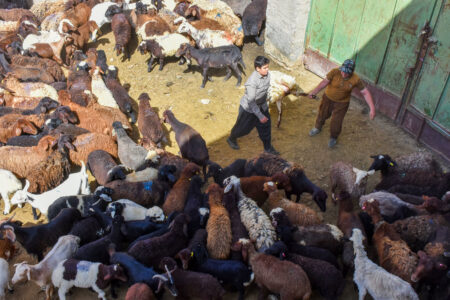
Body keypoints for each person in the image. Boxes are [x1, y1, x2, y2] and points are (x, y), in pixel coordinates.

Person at [308, 59, 376, 148]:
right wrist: (314, 92)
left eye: (347, 73)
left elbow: (365, 92)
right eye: (343, 71)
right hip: (328, 98)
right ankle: (317, 127)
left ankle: (333, 137)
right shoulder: (335, 72)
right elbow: (324, 82)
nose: (344, 74)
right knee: (322, 113)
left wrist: (372, 108)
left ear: (352, 72)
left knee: (337, 121)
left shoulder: (355, 79)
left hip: (342, 103)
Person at [227, 55, 279, 155]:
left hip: (262, 106)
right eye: (265, 68)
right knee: (243, 129)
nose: (267, 70)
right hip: (248, 109)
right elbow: (251, 102)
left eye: (268, 67)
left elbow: (266, 90)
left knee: (266, 127)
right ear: (257, 69)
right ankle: (231, 138)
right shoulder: (252, 82)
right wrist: (260, 116)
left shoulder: (268, 75)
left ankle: (268, 148)